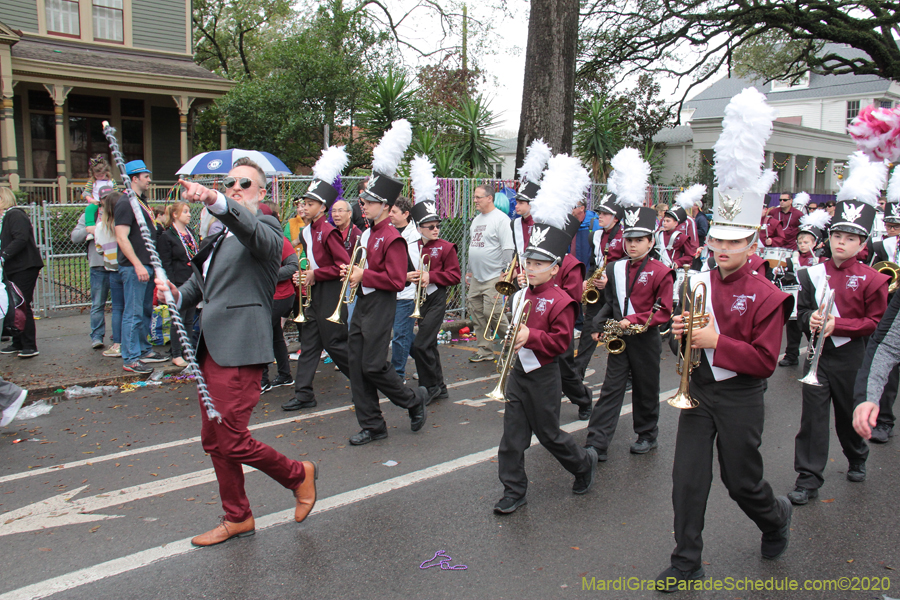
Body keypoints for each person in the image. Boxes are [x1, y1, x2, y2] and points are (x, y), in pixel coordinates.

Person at [656, 89, 792, 591]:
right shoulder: (693, 282)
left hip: (739, 396)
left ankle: (774, 517)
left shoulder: (767, 295)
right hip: (698, 391)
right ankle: (686, 560)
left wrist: (713, 339)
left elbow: (764, 362)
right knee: (687, 481)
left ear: (752, 241)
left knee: (741, 482)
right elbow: (683, 347)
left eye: (735, 240)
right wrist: (679, 338)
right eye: (718, 239)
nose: (723, 248)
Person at [156, 158, 318, 547]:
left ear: (263, 193)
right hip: (211, 347)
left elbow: (252, 234)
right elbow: (201, 284)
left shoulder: (265, 226)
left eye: (245, 184)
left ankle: (298, 474)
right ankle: (238, 517)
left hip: (242, 346)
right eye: (230, 184)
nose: (235, 188)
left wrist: (213, 199)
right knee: (214, 440)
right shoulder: (216, 235)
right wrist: (175, 294)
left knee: (230, 438)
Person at [494, 154, 599, 515]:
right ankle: (513, 490)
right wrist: (513, 337)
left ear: (555, 268)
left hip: (544, 376)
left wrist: (528, 337)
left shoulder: (562, 300)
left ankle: (583, 464)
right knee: (512, 438)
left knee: (550, 435)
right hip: (520, 374)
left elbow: (557, 344)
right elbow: (516, 330)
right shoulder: (521, 292)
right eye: (529, 262)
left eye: (539, 264)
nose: (531, 268)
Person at [789, 156, 890, 506]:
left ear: (863, 244)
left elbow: (877, 323)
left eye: (850, 238)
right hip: (819, 354)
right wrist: (810, 322)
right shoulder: (810, 274)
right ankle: (808, 477)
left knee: (848, 413)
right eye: (837, 236)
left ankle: (857, 455)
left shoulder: (875, 279)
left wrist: (839, 324)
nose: (841, 243)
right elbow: (800, 312)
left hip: (852, 357)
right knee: (813, 420)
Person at [341, 121, 432, 445]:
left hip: (382, 305)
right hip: (363, 303)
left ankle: (412, 399)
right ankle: (373, 425)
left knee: (374, 366)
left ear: (384, 205)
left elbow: (395, 281)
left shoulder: (392, 237)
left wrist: (364, 275)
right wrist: (354, 276)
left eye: (368, 201)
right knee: (356, 366)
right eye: (363, 200)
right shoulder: (367, 233)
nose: (362, 204)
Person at [587, 184, 674, 461]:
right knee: (611, 388)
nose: (632, 244)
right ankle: (597, 442)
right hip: (620, 335)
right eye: (629, 240)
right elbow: (611, 302)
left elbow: (663, 310)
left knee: (646, 386)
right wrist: (599, 326)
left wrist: (632, 320)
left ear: (650, 241)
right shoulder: (615, 268)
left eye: (639, 240)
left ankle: (647, 434)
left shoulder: (662, 272)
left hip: (644, 336)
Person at [282, 146, 353, 411]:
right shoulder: (307, 230)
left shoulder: (328, 231)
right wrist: (305, 273)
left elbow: (343, 265)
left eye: (309, 204)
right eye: (303, 203)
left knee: (335, 344)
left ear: (322, 207)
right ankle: (303, 394)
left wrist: (315, 274)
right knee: (309, 344)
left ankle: (362, 382)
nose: (304, 207)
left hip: (330, 293)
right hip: (314, 292)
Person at [408, 183, 461, 401]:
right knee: (427, 344)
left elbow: (455, 276)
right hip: (419, 299)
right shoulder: (412, 246)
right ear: (419, 228)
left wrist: (432, 276)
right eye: (430, 227)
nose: (435, 230)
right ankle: (439, 385)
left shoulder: (446, 247)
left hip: (437, 297)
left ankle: (429, 387)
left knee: (421, 344)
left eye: (437, 226)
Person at [115, 160, 166, 373]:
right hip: (135, 267)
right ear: (134, 178)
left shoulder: (140, 202)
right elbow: (121, 237)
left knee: (145, 310)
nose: (149, 179)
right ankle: (131, 358)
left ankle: (144, 349)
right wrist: (137, 264)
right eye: (146, 175)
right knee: (133, 313)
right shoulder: (126, 203)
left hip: (147, 265)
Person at [574, 194, 625, 379]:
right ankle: (576, 376)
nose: (600, 216)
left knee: (619, 333)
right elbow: (593, 263)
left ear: (616, 217)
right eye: (599, 213)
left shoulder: (626, 236)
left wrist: (610, 280)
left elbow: (629, 266)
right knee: (589, 331)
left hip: (617, 292)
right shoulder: (595, 236)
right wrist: (587, 280)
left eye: (605, 213)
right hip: (597, 290)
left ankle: (626, 377)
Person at [466, 183, 515, 363]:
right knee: (477, 313)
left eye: (478, 197)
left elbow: (508, 248)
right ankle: (484, 350)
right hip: (477, 277)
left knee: (492, 313)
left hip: (495, 276)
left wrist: (505, 273)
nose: (475, 200)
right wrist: (470, 272)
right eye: (475, 197)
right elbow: (474, 247)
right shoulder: (477, 220)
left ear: (489, 198)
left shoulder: (501, 220)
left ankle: (512, 341)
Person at [777, 212, 829, 367]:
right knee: (793, 328)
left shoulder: (823, 260)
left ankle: (817, 353)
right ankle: (791, 355)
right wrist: (781, 273)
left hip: (813, 299)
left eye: (806, 242)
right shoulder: (792, 259)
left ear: (816, 243)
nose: (802, 245)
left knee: (811, 328)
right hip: (796, 298)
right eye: (800, 242)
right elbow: (786, 277)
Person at [0, 188, 44, 358]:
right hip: (14, 267)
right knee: (14, 304)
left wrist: (4, 255)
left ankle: (29, 345)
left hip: (24, 267)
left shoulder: (15, 215)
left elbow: (20, 238)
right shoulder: (8, 217)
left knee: (22, 304)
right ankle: (17, 342)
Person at [158, 202, 200, 367]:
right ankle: (176, 354)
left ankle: (187, 351)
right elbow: (166, 263)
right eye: (185, 212)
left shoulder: (190, 233)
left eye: (189, 211)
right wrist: (171, 284)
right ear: (175, 215)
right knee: (178, 319)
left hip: (191, 280)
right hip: (178, 282)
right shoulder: (167, 236)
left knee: (189, 319)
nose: (189, 215)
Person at [72, 195, 112, 349]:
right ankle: (97, 336)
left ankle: (118, 337)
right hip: (98, 265)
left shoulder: (118, 212)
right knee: (98, 303)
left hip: (116, 264)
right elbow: (75, 237)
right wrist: (89, 230)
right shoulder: (90, 215)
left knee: (119, 303)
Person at [389, 196, 420, 378]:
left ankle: (397, 375)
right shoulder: (389, 231)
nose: (390, 215)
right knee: (405, 334)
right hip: (389, 292)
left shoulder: (415, 237)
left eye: (394, 212)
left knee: (400, 335)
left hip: (406, 293)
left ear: (406, 214)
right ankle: (426, 362)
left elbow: (414, 270)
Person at [94, 191, 125, 358]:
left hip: (112, 270)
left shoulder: (100, 227)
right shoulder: (124, 223)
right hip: (127, 267)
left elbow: (99, 249)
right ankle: (131, 342)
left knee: (118, 308)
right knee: (131, 307)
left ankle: (117, 343)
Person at [656, 187, 703, 269]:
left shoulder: (689, 221)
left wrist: (686, 261)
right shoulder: (664, 220)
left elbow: (693, 242)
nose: (665, 223)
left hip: (679, 261)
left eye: (668, 221)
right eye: (673, 202)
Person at [331, 199, 361, 323]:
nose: (336, 214)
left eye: (340, 211)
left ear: (349, 214)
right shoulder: (332, 232)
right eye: (333, 211)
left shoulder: (357, 234)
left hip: (349, 282)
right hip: (333, 280)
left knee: (349, 318)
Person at [82, 156, 117, 235]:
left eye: (101, 175)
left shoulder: (111, 181)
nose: (99, 177)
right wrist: (91, 200)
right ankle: (91, 229)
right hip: (97, 203)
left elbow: (116, 192)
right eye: (97, 176)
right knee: (89, 209)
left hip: (110, 203)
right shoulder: (93, 181)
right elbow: (86, 192)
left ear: (106, 172)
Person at [569, 198, 599, 270]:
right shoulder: (568, 224)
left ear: (582, 208)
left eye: (572, 207)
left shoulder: (595, 224)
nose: (570, 210)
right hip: (572, 270)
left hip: (588, 271)